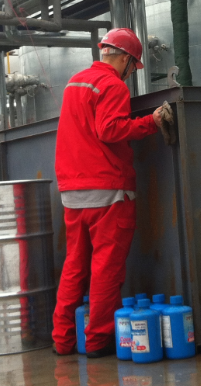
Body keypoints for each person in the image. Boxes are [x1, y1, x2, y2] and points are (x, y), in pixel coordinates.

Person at [52, 28, 164, 358]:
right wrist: (152, 122)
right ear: (126, 59)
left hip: (73, 191)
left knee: (75, 266)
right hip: (107, 192)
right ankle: (98, 342)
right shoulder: (112, 85)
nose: (131, 73)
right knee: (106, 269)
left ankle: (63, 340)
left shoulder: (75, 82)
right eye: (133, 66)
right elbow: (109, 129)